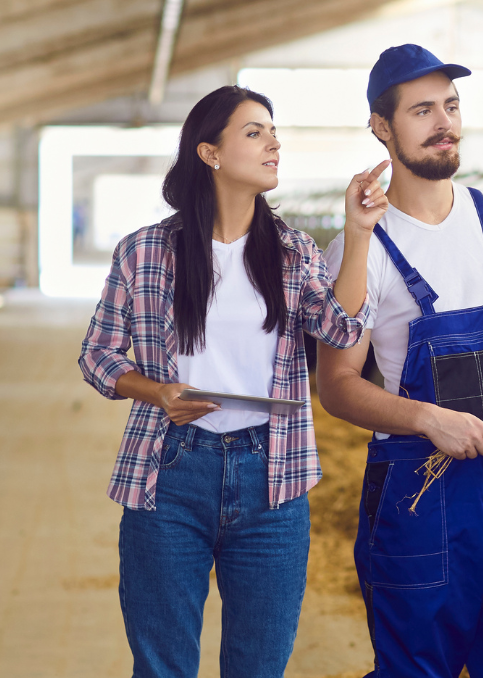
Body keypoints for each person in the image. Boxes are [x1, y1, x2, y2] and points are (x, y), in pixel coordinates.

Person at [78, 85, 389, 678]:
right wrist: (156, 392)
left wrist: (359, 232)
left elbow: (344, 331)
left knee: (259, 667)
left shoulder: (293, 252)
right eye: (254, 132)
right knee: (162, 665)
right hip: (168, 474)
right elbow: (97, 355)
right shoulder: (145, 252)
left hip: (272, 478)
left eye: (274, 131)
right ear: (210, 153)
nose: (274, 143)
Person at [316, 45, 483, 677]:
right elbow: (339, 386)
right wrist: (431, 420)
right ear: (382, 127)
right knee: (416, 667)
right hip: (417, 487)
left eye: (452, 106)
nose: (444, 122)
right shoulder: (361, 246)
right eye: (423, 109)